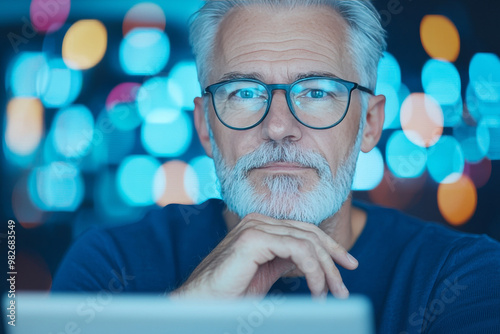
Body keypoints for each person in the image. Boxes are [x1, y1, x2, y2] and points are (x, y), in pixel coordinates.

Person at [52, 0, 500, 332]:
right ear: (206, 127)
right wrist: (186, 317)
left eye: (318, 91)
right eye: (245, 93)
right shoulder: (108, 267)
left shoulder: (460, 276)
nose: (279, 127)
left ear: (369, 124)